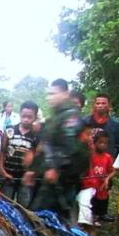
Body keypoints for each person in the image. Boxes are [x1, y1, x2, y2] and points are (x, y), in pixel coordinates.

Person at [28, 79, 89, 222]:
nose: (50, 98)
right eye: (48, 94)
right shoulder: (57, 116)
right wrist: (34, 169)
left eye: (54, 94)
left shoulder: (70, 115)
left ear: (65, 94)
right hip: (52, 177)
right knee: (42, 216)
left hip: (64, 177)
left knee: (55, 217)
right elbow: (49, 144)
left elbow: (70, 146)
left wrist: (55, 168)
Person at [1, 101, 40, 206]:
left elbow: (38, 155)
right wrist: (3, 171)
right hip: (8, 175)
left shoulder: (36, 135)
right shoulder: (10, 130)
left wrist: (32, 172)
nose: (26, 119)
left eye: (30, 117)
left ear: (35, 117)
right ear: (19, 114)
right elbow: (3, 152)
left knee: (24, 207)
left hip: (25, 178)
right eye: (24, 116)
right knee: (5, 205)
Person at [78, 133, 114, 235]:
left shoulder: (107, 157)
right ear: (94, 143)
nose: (102, 145)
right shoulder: (90, 155)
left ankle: (97, 217)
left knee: (100, 200)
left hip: (101, 184)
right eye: (100, 142)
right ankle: (87, 222)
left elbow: (112, 170)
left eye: (105, 143)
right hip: (89, 183)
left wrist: (107, 179)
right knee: (88, 201)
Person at [83, 94, 119, 159]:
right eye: (98, 103)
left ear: (108, 105)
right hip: (88, 161)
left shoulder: (114, 124)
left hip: (107, 161)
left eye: (103, 103)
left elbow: (118, 146)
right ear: (94, 105)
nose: (100, 106)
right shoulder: (85, 122)